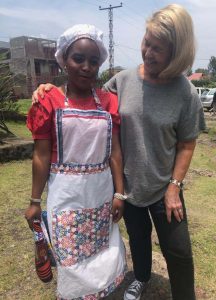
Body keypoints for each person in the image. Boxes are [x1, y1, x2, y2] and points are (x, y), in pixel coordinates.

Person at [32, 4, 205, 300]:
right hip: (127, 186)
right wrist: (50, 88)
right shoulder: (123, 81)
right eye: (146, 42)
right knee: (138, 238)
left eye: (158, 48)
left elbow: (187, 143)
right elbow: (86, 92)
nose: (148, 52)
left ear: (177, 53)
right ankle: (140, 277)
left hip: (165, 187)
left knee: (177, 248)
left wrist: (175, 186)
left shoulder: (185, 92)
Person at [24, 24, 127, 300]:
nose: (86, 66)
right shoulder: (49, 100)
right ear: (63, 61)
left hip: (101, 195)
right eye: (78, 59)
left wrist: (119, 192)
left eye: (93, 61)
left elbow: (115, 152)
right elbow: (41, 155)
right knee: (70, 260)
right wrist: (35, 202)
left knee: (101, 252)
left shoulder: (109, 102)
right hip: (66, 198)